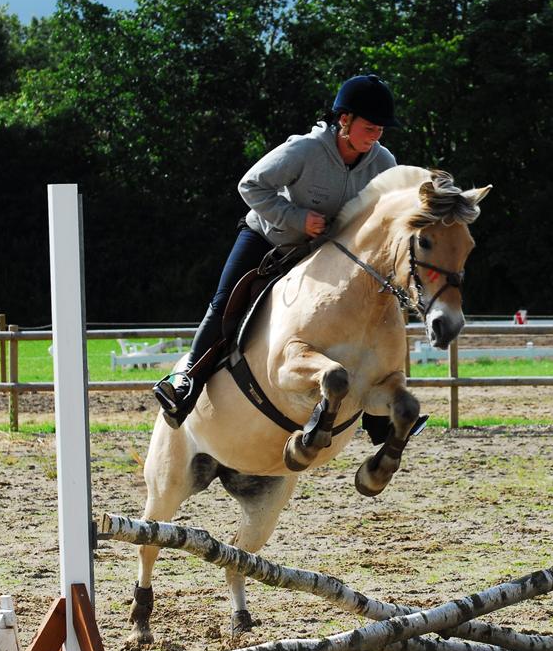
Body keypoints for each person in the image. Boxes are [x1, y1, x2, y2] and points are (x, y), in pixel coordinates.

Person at [154, 74, 402, 427]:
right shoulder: (305, 149)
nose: (376, 134)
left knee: (374, 308)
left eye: (381, 128)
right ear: (344, 119)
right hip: (269, 239)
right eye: (370, 126)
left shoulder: (383, 162)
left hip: (328, 254)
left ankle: (382, 418)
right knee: (226, 301)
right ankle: (185, 382)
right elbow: (250, 184)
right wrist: (296, 217)